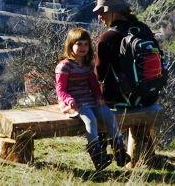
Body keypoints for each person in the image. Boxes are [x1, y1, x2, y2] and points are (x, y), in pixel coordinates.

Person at [55, 28, 129, 170]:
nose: (83, 48)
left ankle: (120, 153)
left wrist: (99, 96)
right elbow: (60, 90)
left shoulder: (88, 65)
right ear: (71, 45)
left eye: (86, 44)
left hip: (89, 99)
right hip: (73, 102)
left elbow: (93, 84)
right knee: (91, 120)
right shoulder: (64, 66)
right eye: (79, 44)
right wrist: (69, 100)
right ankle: (97, 157)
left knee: (109, 116)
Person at [94, 0, 161, 108]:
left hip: (119, 100)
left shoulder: (107, 38)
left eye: (101, 11)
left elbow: (100, 74)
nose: (99, 16)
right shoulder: (143, 29)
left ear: (113, 12)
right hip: (149, 97)